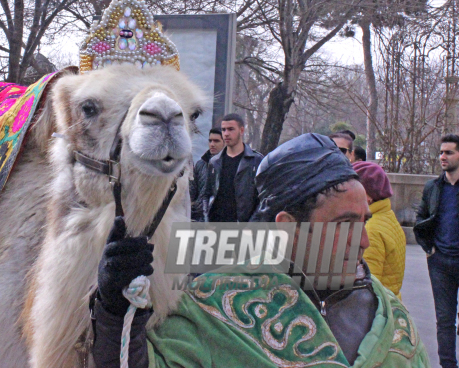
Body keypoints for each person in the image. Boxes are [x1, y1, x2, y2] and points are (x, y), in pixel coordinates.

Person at [92, 133, 430, 368]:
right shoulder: (212, 309)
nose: (364, 241)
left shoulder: (392, 318)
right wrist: (115, 311)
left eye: (363, 222)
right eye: (344, 224)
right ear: (287, 226)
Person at [415, 134, 459, 368]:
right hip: (440, 262)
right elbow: (421, 218)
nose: (443, 156)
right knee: (444, 321)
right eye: (441, 152)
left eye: (449, 152)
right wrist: (429, 249)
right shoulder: (433, 187)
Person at [353, 161, 406, 298]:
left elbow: (367, 287)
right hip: (391, 301)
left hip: (379, 310)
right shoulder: (387, 216)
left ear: (367, 196)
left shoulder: (370, 229)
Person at [202, 114, 263, 223]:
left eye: (230, 129)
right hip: (217, 228)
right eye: (223, 130)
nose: (226, 134)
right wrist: (207, 221)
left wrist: (252, 226)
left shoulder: (255, 161)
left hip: (243, 229)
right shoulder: (215, 162)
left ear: (241, 130)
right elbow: (207, 195)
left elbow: (263, 198)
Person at [190, 128, 223, 221]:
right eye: (210, 141)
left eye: (216, 141)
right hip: (198, 218)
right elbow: (192, 192)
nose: (212, 144)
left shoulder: (230, 165)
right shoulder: (200, 164)